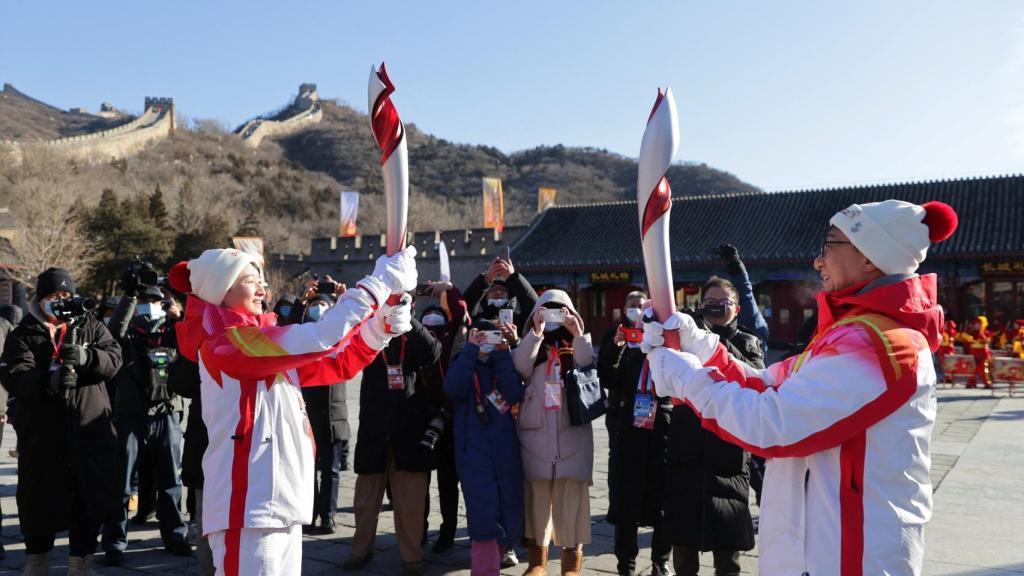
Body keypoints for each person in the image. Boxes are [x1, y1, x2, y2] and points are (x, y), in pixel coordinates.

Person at [642, 200, 957, 574]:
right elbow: (765, 385)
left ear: (869, 258)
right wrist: (699, 345)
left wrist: (685, 378)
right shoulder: (851, 334)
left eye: (829, 245)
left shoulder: (883, 345)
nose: (818, 261)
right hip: (820, 549)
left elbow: (773, 423)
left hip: (852, 556)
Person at [170, 247, 417, 575]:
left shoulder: (262, 348)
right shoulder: (225, 343)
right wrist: (379, 283)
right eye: (251, 281)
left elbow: (337, 361)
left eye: (262, 282)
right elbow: (321, 336)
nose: (262, 290)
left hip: (281, 504)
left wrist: (380, 328)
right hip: (247, 509)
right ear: (222, 291)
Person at [0, 267, 124, 575]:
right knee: (38, 500)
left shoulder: (90, 324)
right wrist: (48, 381)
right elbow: (14, 375)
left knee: (87, 499)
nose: (61, 300)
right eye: (54, 295)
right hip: (43, 435)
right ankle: (37, 561)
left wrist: (87, 357)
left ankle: (81, 562)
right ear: (41, 298)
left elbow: (114, 359)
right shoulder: (23, 333)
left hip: (88, 430)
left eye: (66, 294)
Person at [664, 278, 762, 576]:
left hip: (728, 453)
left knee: (727, 553)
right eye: (710, 303)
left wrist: (709, 341)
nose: (716, 308)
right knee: (683, 550)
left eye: (723, 303)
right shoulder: (686, 338)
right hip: (686, 445)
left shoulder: (747, 341)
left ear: (737, 309)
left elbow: (753, 377)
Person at [343, 305, 442, 576]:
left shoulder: (414, 333)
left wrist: (407, 318)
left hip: (408, 430)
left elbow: (433, 352)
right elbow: (347, 350)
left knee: (410, 502)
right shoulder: (370, 331)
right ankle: (360, 550)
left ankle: (412, 557)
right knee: (365, 501)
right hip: (374, 429)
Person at [102, 283, 193, 566]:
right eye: (145, 299)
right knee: (122, 482)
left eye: (156, 300)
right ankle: (114, 543)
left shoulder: (173, 329)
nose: (150, 305)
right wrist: (130, 296)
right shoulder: (129, 332)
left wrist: (178, 316)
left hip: (167, 412)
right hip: (131, 413)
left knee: (171, 481)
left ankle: (175, 537)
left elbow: (192, 340)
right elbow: (113, 330)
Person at [513, 290, 595, 576]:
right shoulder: (530, 344)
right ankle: (537, 563)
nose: (552, 317)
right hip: (535, 437)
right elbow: (518, 367)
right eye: (546, 310)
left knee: (572, 504)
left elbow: (589, 367)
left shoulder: (577, 345)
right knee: (537, 505)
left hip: (572, 435)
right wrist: (535, 333)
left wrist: (578, 333)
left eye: (559, 310)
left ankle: (571, 566)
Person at [445, 320, 525, 575]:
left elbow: (513, 393)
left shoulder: (502, 362)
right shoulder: (462, 360)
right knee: (482, 511)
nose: (487, 340)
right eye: (481, 336)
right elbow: (453, 389)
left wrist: (503, 354)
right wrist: (470, 351)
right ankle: (485, 570)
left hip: (505, 447)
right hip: (473, 449)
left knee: (508, 503)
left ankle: (501, 554)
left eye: (492, 335)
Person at [602, 306, 673, 576]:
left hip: (664, 435)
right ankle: (626, 565)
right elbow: (608, 377)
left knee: (664, 503)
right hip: (630, 435)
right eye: (644, 325)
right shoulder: (630, 352)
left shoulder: (674, 354)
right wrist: (615, 347)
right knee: (626, 505)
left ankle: (660, 561)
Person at [417, 281, 469, 553]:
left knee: (448, 481)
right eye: (427, 318)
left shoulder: (451, 338)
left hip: (451, 417)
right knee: (420, 481)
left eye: (437, 317)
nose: (432, 322)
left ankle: (448, 532)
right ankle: (419, 530)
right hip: (421, 419)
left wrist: (448, 289)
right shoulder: (415, 338)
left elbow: (460, 313)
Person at [298, 291, 352, 534]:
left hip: (333, 415)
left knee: (331, 470)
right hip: (307, 416)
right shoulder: (303, 337)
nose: (318, 310)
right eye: (314, 305)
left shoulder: (338, 338)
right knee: (307, 470)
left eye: (323, 305)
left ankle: (328, 516)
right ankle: (310, 514)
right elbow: (286, 327)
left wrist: (344, 300)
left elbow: (354, 324)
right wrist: (300, 302)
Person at [463, 255, 539, 338]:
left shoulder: (520, 320)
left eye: (503, 290)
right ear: (485, 296)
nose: (498, 292)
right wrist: (486, 280)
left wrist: (513, 278)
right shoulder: (475, 321)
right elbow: (465, 306)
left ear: (510, 296)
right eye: (493, 289)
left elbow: (535, 307)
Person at [958, 316, 993, 388]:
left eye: (979, 324)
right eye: (976, 324)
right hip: (973, 353)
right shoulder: (972, 332)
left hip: (983, 353)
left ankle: (987, 383)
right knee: (972, 368)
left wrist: (983, 338)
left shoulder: (986, 333)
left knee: (983, 368)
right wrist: (965, 337)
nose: (977, 326)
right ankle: (971, 382)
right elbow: (965, 341)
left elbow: (987, 340)